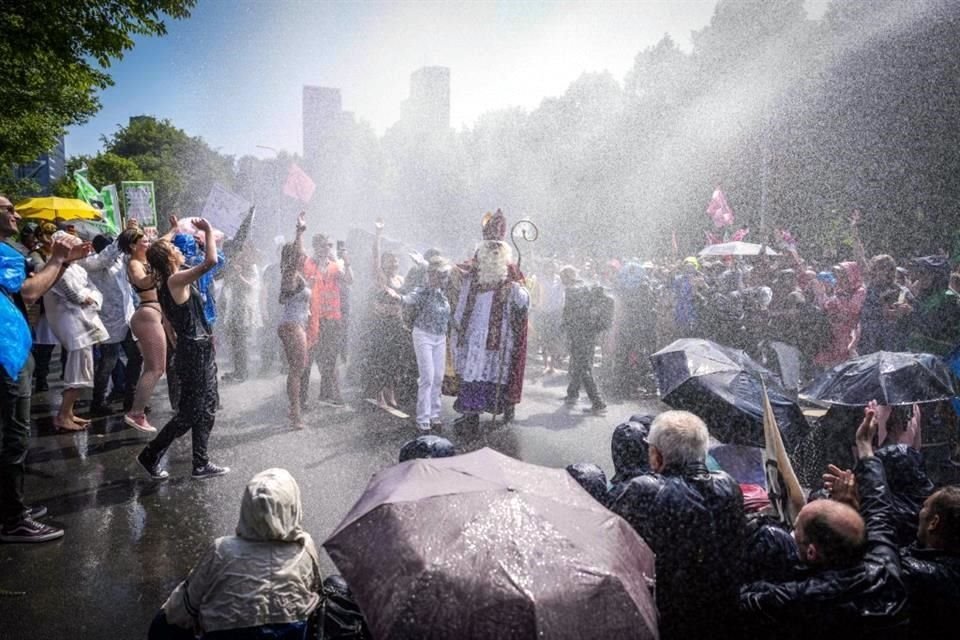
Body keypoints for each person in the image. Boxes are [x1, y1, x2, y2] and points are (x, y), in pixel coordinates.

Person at [740, 406, 909, 638]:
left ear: (811, 552)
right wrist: (865, 448)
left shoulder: (796, 598)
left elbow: (735, 596)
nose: (791, 532)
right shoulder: (885, 570)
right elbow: (879, 512)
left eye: (794, 530)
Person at [0, 194, 92, 542]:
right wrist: (57, 257)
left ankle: (12, 506)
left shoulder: (8, 250)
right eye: (7, 209)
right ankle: (13, 520)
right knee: (14, 435)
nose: (15, 213)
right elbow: (28, 292)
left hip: (13, 347)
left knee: (11, 432)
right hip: (6, 353)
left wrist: (64, 262)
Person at [610, 410, 745, 640]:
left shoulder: (645, 490)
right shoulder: (729, 486)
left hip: (669, 618)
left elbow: (611, 549)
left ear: (657, 456)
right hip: (723, 614)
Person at [148, 468, 321, 639]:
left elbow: (181, 608)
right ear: (293, 507)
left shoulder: (222, 550)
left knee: (165, 624)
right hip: (292, 633)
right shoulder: (304, 547)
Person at [138, 218, 228, 480]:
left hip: (198, 348)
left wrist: (175, 230)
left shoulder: (172, 276)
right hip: (194, 351)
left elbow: (167, 319)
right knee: (190, 412)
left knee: (208, 405)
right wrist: (209, 230)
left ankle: (201, 463)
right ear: (168, 259)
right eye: (174, 249)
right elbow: (211, 262)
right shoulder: (175, 280)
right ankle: (150, 454)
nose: (179, 249)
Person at [451, 210, 530, 428]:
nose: (494, 251)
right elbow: (460, 284)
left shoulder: (511, 272)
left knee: (499, 370)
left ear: (504, 251)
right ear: (483, 249)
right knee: (473, 369)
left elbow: (524, 302)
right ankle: (471, 413)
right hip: (475, 329)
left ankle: (504, 407)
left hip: (500, 332)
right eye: (490, 247)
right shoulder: (474, 270)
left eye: (498, 248)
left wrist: (514, 290)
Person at [41, 231, 109, 431]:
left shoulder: (76, 268)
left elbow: (94, 292)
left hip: (84, 326)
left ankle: (68, 413)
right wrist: (87, 296)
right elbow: (76, 296)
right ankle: (63, 415)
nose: (83, 250)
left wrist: (89, 297)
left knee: (82, 370)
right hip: (75, 329)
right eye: (77, 247)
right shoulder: (56, 270)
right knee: (78, 373)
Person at [82, 234, 141, 417]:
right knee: (108, 363)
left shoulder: (120, 261)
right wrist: (123, 237)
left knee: (136, 357)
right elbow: (106, 257)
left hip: (127, 319)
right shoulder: (93, 263)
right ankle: (98, 402)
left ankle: (131, 399)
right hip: (109, 322)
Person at [119, 223, 167, 432]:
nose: (148, 243)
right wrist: (161, 270)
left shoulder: (148, 259)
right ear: (132, 246)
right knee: (155, 368)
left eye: (148, 241)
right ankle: (136, 413)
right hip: (147, 314)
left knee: (158, 367)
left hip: (155, 314)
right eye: (143, 241)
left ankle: (137, 411)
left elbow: (163, 241)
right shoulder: (134, 264)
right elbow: (143, 282)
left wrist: (174, 230)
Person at [899, 485, 960, 640]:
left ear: (934, 522)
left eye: (924, 507)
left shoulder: (920, 575)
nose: (918, 513)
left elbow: (881, 560)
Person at [301, 230, 352, 408]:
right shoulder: (308, 263)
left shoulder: (334, 265)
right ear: (316, 246)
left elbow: (349, 280)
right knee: (307, 359)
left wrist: (347, 262)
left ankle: (326, 394)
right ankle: (302, 398)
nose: (327, 248)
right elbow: (302, 283)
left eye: (330, 245)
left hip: (332, 317)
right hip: (312, 318)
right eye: (324, 245)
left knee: (330, 358)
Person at [401, 255, 452, 431]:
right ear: (431, 275)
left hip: (440, 337)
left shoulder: (442, 293)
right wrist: (396, 297)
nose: (443, 279)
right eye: (440, 275)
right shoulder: (423, 290)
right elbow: (409, 298)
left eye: (444, 275)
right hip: (423, 335)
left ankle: (434, 414)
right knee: (427, 377)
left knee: (438, 378)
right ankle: (423, 418)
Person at [365, 219, 407, 410]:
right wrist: (378, 234)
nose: (394, 265)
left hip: (396, 324)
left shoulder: (400, 279)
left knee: (394, 360)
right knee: (380, 359)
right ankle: (379, 393)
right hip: (381, 324)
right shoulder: (381, 279)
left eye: (396, 262)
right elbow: (375, 256)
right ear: (384, 264)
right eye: (390, 261)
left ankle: (390, 390)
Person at [559, 265, 607, 415]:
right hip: (589, 332)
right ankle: (572, 393)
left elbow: (568, 313)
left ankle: (598, 402)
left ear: (566, 277)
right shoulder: (586, 286)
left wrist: (564, 328)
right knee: (580, 363)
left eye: (562, 278)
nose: (561, 281)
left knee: (583, 366)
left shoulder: (572, 290)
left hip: (579, 333)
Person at [277, 214, 310, 429]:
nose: (305, 256)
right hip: (292, 325)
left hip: (293, 324)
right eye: (301, 255)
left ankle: (293, 410)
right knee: (298, 370)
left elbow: (283, 298)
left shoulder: (292, 275)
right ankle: (296, 414)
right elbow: (298, 252)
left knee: (296, 369)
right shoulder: (291, 273)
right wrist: (299, 232)